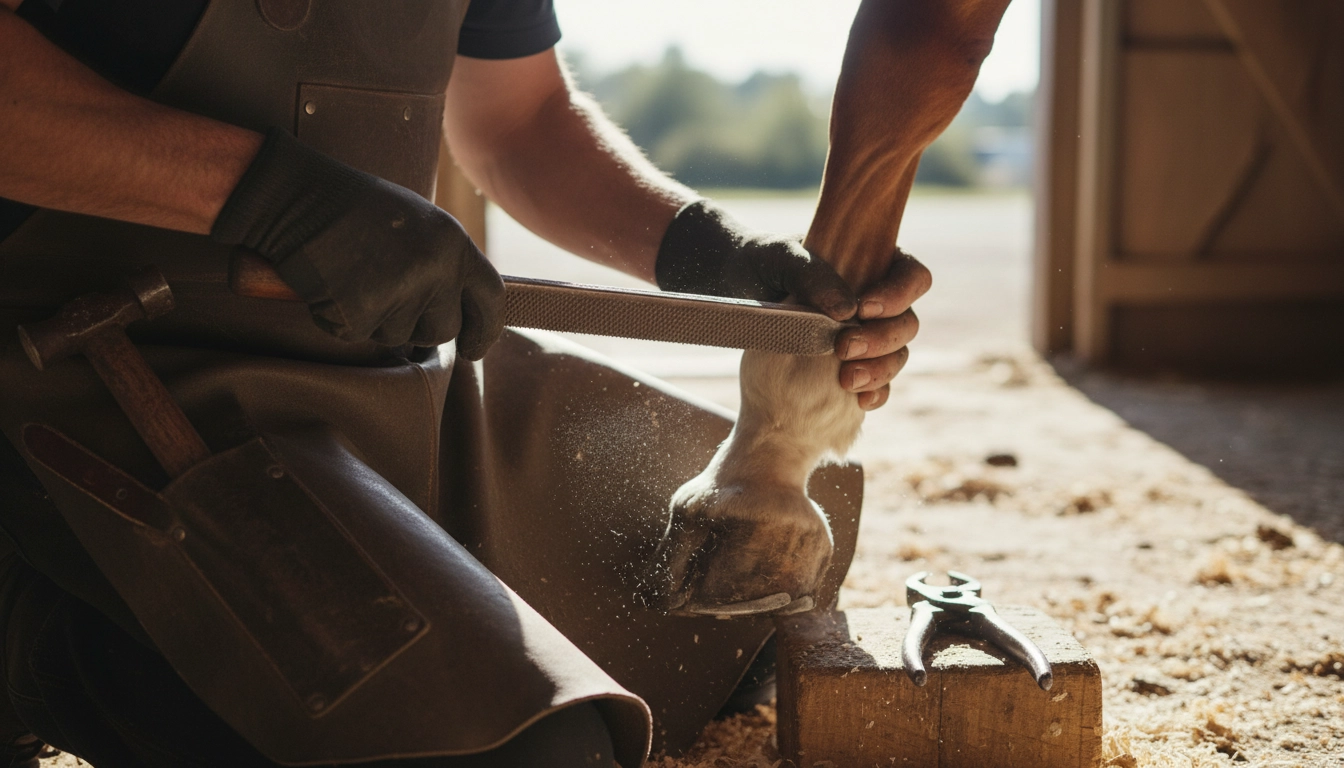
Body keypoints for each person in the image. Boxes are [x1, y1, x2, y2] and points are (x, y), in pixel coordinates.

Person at [0, 1, 930, 766]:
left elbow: (516, 120)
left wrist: (709, 250)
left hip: (375, 371)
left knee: (731, 633)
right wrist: (274, 198)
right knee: (534, 749)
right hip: (97, 366)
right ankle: (45, 627)